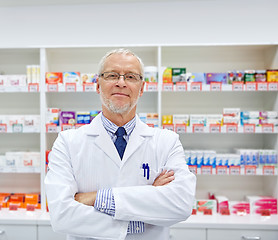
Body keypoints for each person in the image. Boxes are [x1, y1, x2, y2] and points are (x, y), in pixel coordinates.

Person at [45, 49, 196, 240]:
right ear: (97, 85)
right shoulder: (68, 142)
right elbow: (61, 216)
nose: (121, 82)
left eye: (131, 77)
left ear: (141, 88)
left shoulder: (167, 142)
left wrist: (95, 198)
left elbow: (181, 205)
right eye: (112, 75)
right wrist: (145, 206)